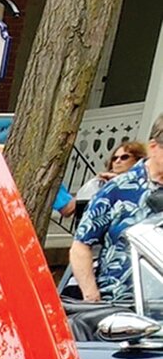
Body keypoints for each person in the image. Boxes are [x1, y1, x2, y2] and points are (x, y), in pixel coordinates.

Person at [68, 115, 163, 304]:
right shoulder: (117, 189)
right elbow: (81, 245)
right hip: (121, 306)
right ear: (153, 148)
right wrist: (91, 297)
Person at [60, 141, 147, 219]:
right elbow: (68, 211)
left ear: (137, 160)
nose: (118, 161)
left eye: (124, 157)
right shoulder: (99, 184)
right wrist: (95, 185)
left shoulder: (145, 183)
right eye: (114, 158)